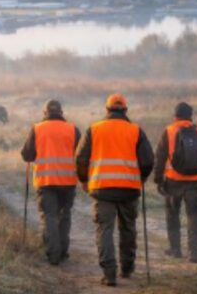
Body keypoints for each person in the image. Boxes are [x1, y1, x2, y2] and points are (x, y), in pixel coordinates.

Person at [75, 93, 154, 287]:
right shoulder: (136, 131)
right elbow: (148, 161)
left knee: (105, 230)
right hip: (129, 189)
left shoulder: (94, 130)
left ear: (107, 110)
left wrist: (84, 180)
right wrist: (141, 178)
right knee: (128, 228)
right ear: (125, 110)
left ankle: (109, 274)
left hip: (102, 190)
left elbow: (80, 159)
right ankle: (127, 268)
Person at [153, 101, 197, 263]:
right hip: (195, 182)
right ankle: (193, 252)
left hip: (173, 181)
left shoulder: (168, 131)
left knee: (172, 214)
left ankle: (175, 250)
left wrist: (158, 180)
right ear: (190, 116)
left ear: (175, 116)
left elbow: (159, 158)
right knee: (194, 215)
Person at [21, 99, 81, 265]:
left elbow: (26, 155)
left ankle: (53, 255)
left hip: (45, 182)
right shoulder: (73, 129)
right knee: (64, 216)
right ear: (61, 112)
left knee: (49, 217)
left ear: (45, 113)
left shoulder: (37, 129)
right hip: (68, 181)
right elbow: (82, 154)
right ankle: (63, 252)